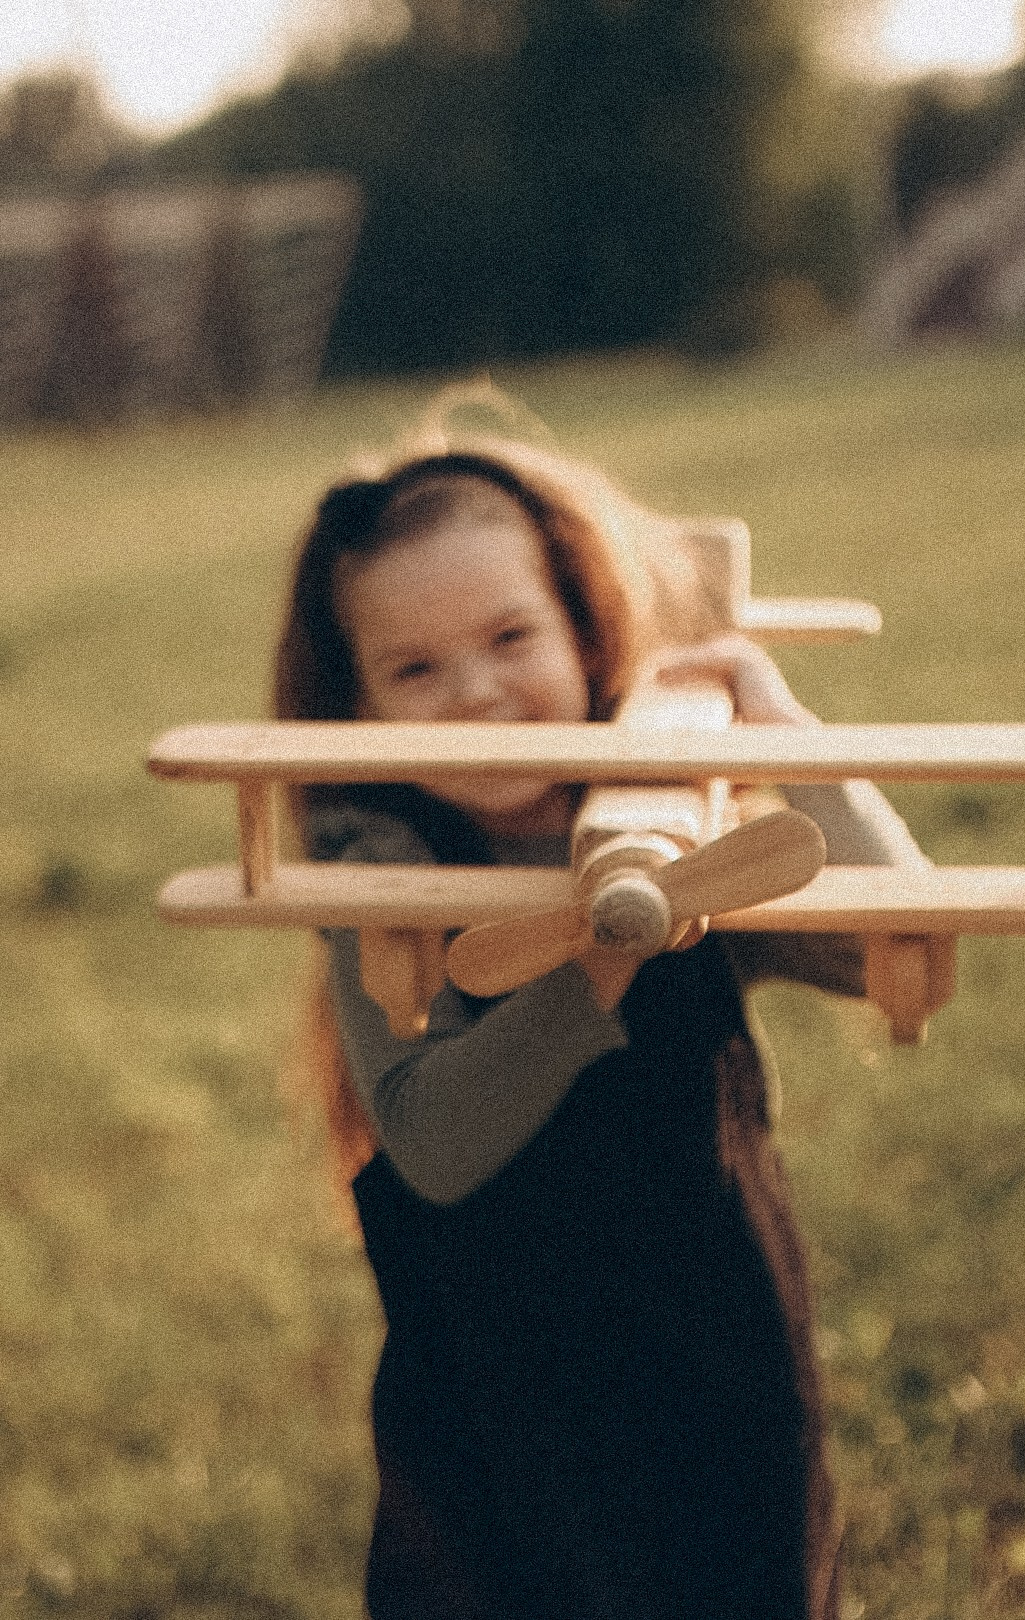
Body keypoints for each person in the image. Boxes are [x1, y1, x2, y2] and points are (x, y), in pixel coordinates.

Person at [274, 407, 925, 1620]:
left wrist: (779, 728)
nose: (474, 693)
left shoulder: (686, 807)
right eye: (414, 668)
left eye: (511, 635)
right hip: (493, 1391)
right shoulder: (374, 854)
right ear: (358, 709)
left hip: (710, 1353)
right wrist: (610, 941)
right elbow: (439, 1140)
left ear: (583, 631)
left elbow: (900, 936)